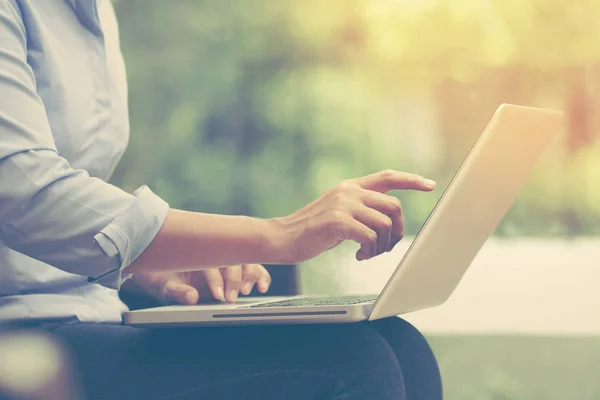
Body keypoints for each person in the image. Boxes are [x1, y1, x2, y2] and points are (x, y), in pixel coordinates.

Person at [0, 1, 443, 399]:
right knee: (355, 362)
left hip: (90, 309)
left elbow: (73, 198)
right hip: (20, 337)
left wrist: (147, 266)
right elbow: (29, 197)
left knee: (402, 345)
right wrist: (279, 234)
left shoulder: (92, 12)